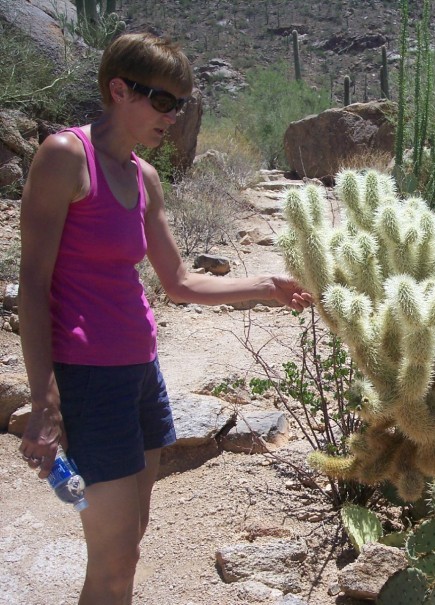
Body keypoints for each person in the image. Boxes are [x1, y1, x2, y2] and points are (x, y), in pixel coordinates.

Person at [17, 32, 313, 604]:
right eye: (163, 101)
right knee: (113, 563)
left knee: (127, 549)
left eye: (181, 104)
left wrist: (267, 286)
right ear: (119, 90)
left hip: (141, 374)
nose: (174, 117)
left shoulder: (143, 178)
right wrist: (45, 400)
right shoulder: (65, 157)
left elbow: (179, 282)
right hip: (87, 378)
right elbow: (33, 282)